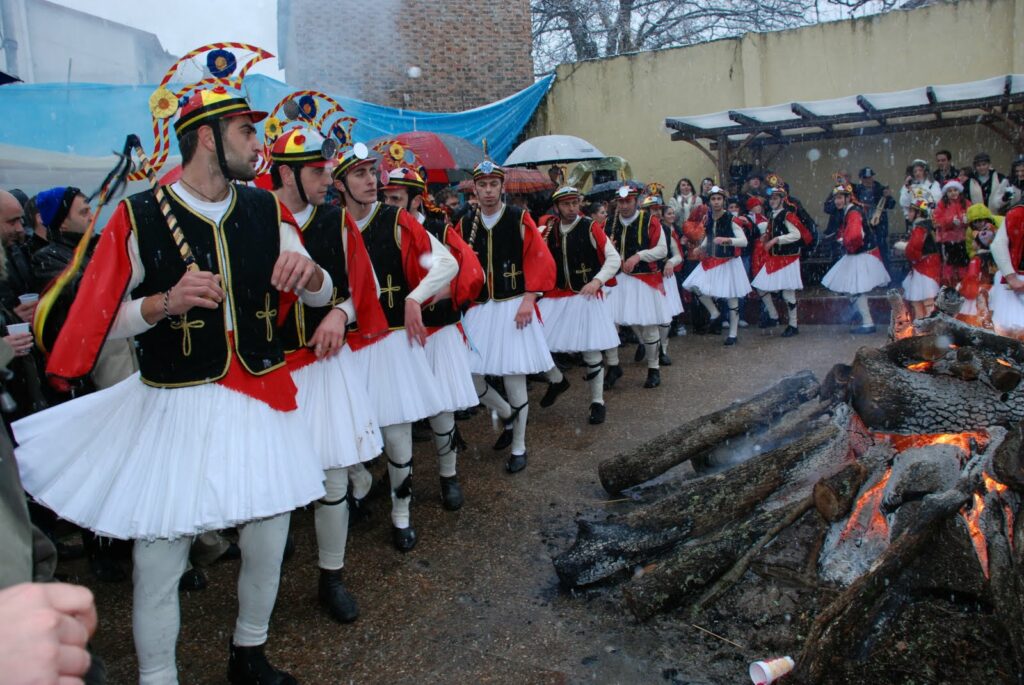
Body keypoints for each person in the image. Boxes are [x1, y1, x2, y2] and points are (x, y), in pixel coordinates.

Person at [13, 74, 333, 684]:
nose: (256, 142)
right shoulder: (137, 215)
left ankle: (249, 653)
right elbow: (97, 324)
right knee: (161, 553)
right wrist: (163, 304)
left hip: (260, 394)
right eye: (246, 130)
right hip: (176, 401)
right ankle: (158, 676)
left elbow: (321, 292)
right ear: (206, 138)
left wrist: (308, 274)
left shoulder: (267, 206)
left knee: (269, 534)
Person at [268, 124, 383, 623]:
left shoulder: (337, 222)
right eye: (317, 172)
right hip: (269, 369)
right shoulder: (250, 218)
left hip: (324, 366)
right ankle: (263, 582)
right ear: (287, 174)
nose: (328, 180)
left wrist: (340, 312)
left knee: (334, 477)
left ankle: (330, 577)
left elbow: (369, 288)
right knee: (272, 482)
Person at [332, 144, 456, 551]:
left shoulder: (396, 219)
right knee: (341, 430)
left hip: (389, 343)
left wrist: (415, 296)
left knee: (398, 435)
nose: (372, 181)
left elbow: (447, 266)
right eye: (360, 174)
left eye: (373, 172)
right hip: (348, 345)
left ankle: (401, 516)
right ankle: (359, 479)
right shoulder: (329, 225)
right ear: (340, 184)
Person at [381, 165, 483, 509]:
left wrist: (441, 291)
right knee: (400, 412)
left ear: (415, 199)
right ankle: (397, 475)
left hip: (437, 331)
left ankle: (448, 474)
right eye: (387, 197)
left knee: (441, 411)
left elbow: (470, 272)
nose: (390, 203)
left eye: (397, 198)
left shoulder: (439, 229)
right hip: (399, 336)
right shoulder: (383, 230)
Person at [456, 160, 556, 473]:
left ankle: (519, 445)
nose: (487, 191)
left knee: (515, 380)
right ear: (475, 188)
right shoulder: (464, 223)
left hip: (514, 306)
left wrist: (529, 298)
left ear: (502, 187)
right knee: (469, 375)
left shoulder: (518, 218)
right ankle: (506, 413)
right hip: (480, 309)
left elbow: (540, 259)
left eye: (493, 185)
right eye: (482, 185)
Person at [537, 187, 620, 424]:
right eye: (566, 204)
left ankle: (597, 402)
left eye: (575, 203)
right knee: (535, 343)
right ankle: (557, 380)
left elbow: (613, 258)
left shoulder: (589, 227)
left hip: (586, 296)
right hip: (556, 295)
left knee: (591, 350)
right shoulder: (549, 229)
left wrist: (597, 280)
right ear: (557, 207)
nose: (572, 208)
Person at [601, 185, 669, 386]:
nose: (623, 205)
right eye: (620, 202)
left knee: (649, 325)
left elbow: (662, 250)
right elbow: (599, 250)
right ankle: (613, 366)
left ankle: (653, 368)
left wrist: (639, 255)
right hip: (617, 280)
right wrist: (609, 250)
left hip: (644, 278)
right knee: (610, 322)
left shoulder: (650, 221)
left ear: (636, 201)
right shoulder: (608, 224)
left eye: (627, 201)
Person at [682, 185, 751, 346]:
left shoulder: (731, 219)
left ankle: (733, 334)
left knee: (731, 299)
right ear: (710, 201)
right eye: (713, 199)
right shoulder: (708, 217)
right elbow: (710, 236)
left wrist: (727, 240)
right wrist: (702, 247)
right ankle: (714, 312)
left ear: (724, 201)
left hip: (729, 262)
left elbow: (744, 241)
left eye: (719, 199)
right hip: (712, 260)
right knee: (693, 285)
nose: (716, 202)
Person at [822, 184, 890, 334]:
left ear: (848, 197)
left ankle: (867, 322)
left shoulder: (853, 212)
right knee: (852, 288)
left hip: (861, 254)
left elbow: (855, 236)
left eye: (840, 198)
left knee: (856, 289)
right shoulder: (850, 211)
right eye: (835, 198)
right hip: (859, 253)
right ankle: (862, 315)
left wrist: (844, 241)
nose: (837, 201)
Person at [751, 187, 805, 338]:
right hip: (775, 258)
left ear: (782, 199)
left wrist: (776, 239)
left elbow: (796, 235)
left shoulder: (787, 215)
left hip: (788, 258)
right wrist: (767, 237)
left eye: (775, 198)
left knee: (788, 293)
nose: (772, 201)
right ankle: (774, 316)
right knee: (760, 286)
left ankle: (793, 325)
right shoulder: (772, 215)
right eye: (771, 199)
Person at [894, 200, 941, 320]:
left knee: (925, 299)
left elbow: (914, 249)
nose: (907, 214)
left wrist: (903, 247)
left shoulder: (920, 228)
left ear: (918, 213)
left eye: (910, 211)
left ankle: (926, 325)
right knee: (920, 299)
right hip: (924, 267)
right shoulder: (924, 226)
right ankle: (923, 325)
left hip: (924, 268)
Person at [988, 199, 1024, 338]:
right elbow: (998, 245)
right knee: (1011, 331)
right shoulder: (1018, 214)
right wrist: (1011, 276)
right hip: (1017, 279)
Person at [854, 167, 896, 273]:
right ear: (861, 178)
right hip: (864, 226)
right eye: (865, 178)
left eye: (870, 177)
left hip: (879, 226)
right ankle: (868, 276)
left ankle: (885, 275)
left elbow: (891, 205)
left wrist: (888, 196)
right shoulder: (856, 190)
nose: (868, 180)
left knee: (882, 251)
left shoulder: (880, 188)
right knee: (866, 253)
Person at [932, 180, 971, 286]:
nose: (953, 193)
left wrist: (967, 220)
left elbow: (972, 215)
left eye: (955, 190)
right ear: (946, 193)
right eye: (950, 191)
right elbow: (937, 220)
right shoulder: (942, 204)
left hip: (963, 239)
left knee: (963, 262)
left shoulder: (966, 203)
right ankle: (949, 284)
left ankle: (963, 283)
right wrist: (950, 221)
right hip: (948, 240)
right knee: (949, 263)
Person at [899, 159, 942, 224]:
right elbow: (904, 203)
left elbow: (935, 201)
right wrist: (907, 188)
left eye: (920, 170)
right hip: (912, 221)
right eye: (915, 171)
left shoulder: (933, 184)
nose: (917, 173)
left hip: (930, 220)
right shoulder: (909, 185)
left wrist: (917, 204)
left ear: (925, 172)